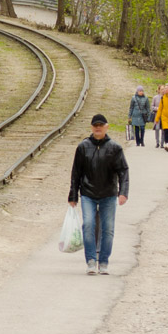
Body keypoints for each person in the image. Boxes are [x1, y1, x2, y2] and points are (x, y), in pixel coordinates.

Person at [67, 113, 130, 274]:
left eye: (101, 125)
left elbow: (123, 171)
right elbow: (76, 173)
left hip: (108, 194)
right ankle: (90, 260)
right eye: (95, 125)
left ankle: (103, 262)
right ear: (91, 127)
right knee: (88, 224)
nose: (98, 128)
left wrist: (123, 192)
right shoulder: (83, 147)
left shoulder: (115, 148)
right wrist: (73, 195)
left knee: (107, 228)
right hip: (88, 193)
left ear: (106, 127)